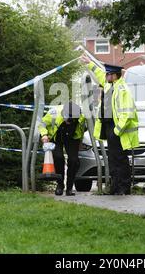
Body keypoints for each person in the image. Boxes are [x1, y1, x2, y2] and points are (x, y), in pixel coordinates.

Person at [81, 55, 139, 195]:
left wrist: (117, 130)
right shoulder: (109, 84)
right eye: (107, 74)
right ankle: (115, 187)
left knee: (120, 160)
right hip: (109, 127)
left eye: (109, 74)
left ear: (115, 75)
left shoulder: (122, 89)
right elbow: (100, 74)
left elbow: (127, 113)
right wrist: (89, 63)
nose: (106, 76)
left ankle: (124, 188)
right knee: (113, 159)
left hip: (117, 129)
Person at [38, 101, 86, 196]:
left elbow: (82, 129)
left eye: (71, 121)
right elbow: (41, 123)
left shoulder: (81, 117)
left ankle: (69, 188)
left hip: (72, 138)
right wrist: (44, 134)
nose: (68, 122)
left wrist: (80, 141)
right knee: (58, 158)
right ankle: (60, 185)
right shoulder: (53, 114)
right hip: (56, 138)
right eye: (67, 120)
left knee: (74, 161)